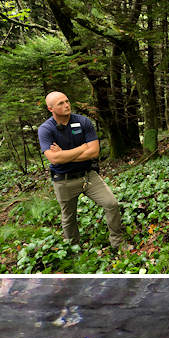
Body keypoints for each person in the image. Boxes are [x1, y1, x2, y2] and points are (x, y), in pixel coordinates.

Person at [37, 91, 126, 250]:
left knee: (111, 203)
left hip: (88, 176)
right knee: (68, 218)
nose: (66, 105)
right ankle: (74, 248)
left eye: (67, 101)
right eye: (61, 103)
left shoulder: (83, 122)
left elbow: (93, 152)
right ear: (51, 109)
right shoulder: (45, 129)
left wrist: (64, 153)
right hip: (63, 180)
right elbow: (54, 159)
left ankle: (118, 243)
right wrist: (82, 148)